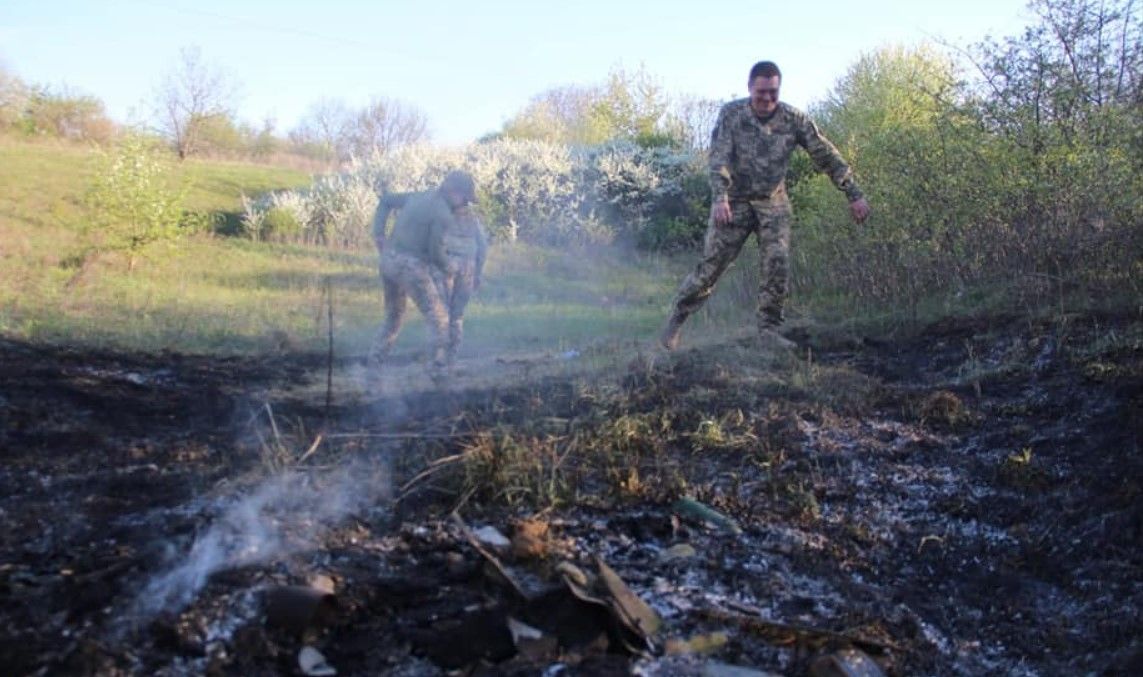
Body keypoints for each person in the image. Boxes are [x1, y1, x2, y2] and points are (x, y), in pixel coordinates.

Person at [660, 61, 871, 352]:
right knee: (709, 271)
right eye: (761, 92)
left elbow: (825, 153)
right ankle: (675, 322)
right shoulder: (732, 114)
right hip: (732, 202)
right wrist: (720, 197)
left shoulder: (793, 119)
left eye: (773, 92)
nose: (767, 99)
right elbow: (718, 157)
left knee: (777, 264)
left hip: (773, 202)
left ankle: (768, 331)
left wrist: (853, 193)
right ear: (749, 88)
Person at [368, 170, 477, 376]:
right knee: (440, 320)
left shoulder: (418, 196)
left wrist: (379, 234)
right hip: (411, 267)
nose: (464, 204)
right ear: (453, 191)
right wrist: (450, 267)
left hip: (388, 261)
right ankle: (436, 372)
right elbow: (435, 254)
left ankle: (374, 368)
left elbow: (385, 201)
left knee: (393, 318)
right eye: (464, 198)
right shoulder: (443, 214)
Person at [436, 204, 488, 365]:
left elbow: (434, 244)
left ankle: (440, 354)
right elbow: (483, 247)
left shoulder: (442, 218)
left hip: (448, 265)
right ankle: (452, 355)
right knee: (457, 314)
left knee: (442, 312)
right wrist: (478, 272)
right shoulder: (474, 221)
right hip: (468, 266)